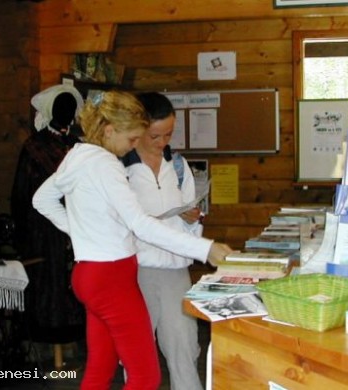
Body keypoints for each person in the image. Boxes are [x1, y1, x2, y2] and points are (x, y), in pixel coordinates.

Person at [32, 90, 232, 390]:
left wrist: (82, 233)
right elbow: (141, 225)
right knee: (145, 377)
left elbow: (42, 199)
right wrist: (206, 248)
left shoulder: (77, 155)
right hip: (112, 277)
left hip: (89, 273)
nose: (134, 145)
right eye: (131, 139)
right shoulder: (107, 164)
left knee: (101, 368)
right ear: (110, 131)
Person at [121, 92, 203, 390]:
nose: (163, 142)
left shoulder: (178, 167)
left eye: (169, 134)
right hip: (135, 271)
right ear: (137, 129)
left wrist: (192, 218)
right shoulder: (120, 169)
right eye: (156, 135)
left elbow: (191, 218)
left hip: (175, 271)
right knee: (136, 354)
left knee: (184, 347)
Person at [11, 84, 86, 344]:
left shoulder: (78, 145)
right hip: (44, 229)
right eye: (61, 106)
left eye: (70, 106)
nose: (67, 111)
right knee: (51, 284)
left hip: (78, 225)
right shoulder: (35, 146)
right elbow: (22, 192)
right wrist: (22, 233)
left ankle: (78, 338)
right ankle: (51, 341)